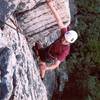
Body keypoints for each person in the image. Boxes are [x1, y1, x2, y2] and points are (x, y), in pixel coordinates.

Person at [33, 0, 78, 79]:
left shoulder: (65, 51)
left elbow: (56, 65)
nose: (63, 40)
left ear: (69, 42)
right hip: (48, 49)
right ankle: (39, 54)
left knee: (42, 63)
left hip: (49, 57)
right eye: (64, 38)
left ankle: (42, 77)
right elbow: (59, 20)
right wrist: (50, 5)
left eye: (66, 41)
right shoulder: (65, 33)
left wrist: (47, 68)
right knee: (37, 46)